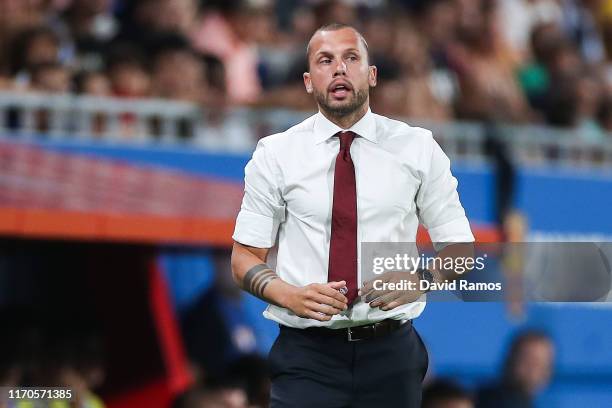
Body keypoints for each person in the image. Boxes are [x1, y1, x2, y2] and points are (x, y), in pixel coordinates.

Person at [230, 23, 475, 407]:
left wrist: (422, 279)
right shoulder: (274, 154)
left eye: (351, 58)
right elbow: (243, 258)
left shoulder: (418, 148)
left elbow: (461, 250)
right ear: (310, 82)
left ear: (371, 75)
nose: (339, 68)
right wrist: (289, 295)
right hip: (305, 355)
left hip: (391, 354)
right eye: (326, 61)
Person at [476, 330, 555, 408]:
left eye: (541, 364)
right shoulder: (475, 401)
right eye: (528, 360)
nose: (533, 370)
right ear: (509, 360)